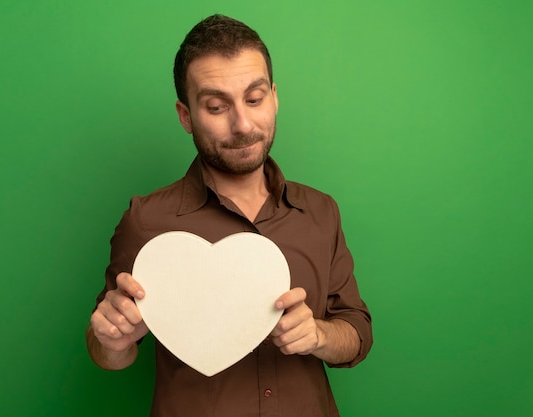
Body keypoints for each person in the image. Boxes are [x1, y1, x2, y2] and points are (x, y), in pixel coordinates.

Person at [86, 14, 372, 417]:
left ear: (274, 96)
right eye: (217, 106)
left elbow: (357, 334)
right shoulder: (146, 221)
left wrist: (318, 335)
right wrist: (113, 340)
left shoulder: (320, 212)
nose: (242, 124)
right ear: (186, 116)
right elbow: (106, 350)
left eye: (254, 99)